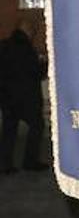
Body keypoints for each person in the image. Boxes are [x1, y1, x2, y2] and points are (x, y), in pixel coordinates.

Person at [0, 18, 47, 172]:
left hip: (7, 97)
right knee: (37, 126)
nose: (33, 34)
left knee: (9, 131)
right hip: (27, 98)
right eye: (32, 31)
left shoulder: (4, 45)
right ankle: (30, 161)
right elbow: (36, 73)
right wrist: (44, 63)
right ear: (27, 30)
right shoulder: (28, 50)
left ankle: (6, 165)